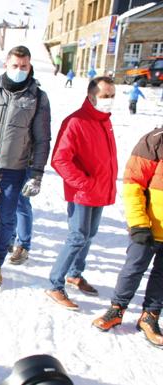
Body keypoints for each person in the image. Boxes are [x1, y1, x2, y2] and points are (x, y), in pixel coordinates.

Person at [0, 45, 51, 286]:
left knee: (7, 220)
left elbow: (42, 139)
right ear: (6, 64)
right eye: (15, 65)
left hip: (14, 170)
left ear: (30, 67)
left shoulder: (37, 96)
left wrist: (36, 174)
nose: (19, 70)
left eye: (24, 66)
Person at [46, 76, 118, 310]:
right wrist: (83, 183)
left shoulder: (104, 120)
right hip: (82, 192)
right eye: (105, 95)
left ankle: (75, 273)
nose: (109, 100)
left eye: (112, 95)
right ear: (91, 96)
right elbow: (60, 159)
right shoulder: (76, 121)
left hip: (98, 190)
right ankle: (55, 284)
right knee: (77, 237)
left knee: (89, 234)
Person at [92, 127, 163, 347]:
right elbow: (133, 182)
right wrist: (139, 223)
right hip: (148, 226)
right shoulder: (155, 141)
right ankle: (117, 308)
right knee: (133, 268)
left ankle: (150, 316)